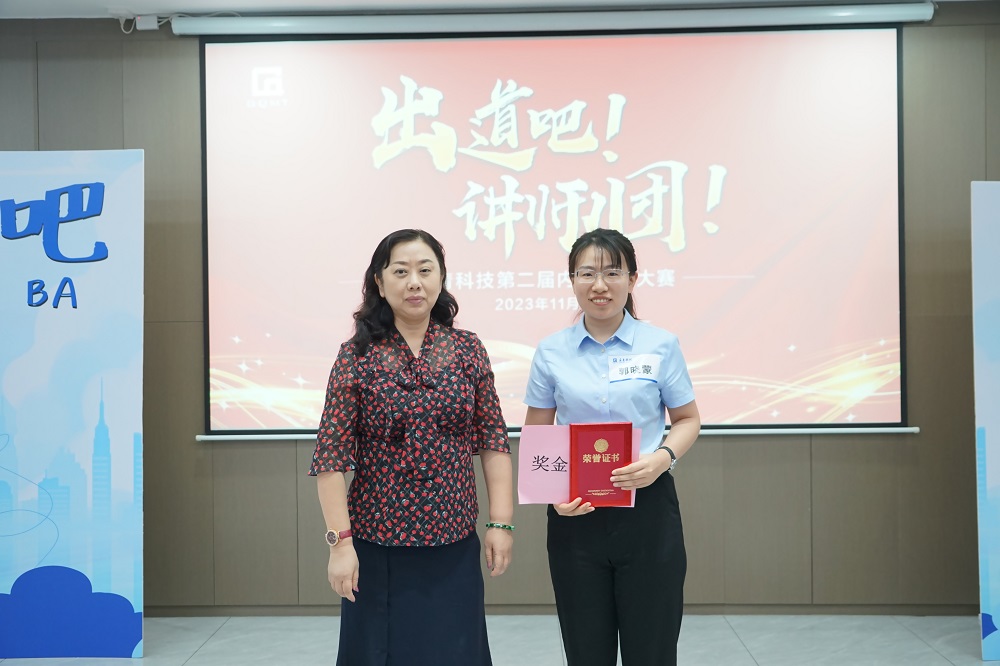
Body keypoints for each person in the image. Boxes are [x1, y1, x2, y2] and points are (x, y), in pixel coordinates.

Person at [309, 228, 514, 666]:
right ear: (380, 283)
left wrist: (501, 523)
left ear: (441, 278)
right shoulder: (356, 355)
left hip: (453, 541)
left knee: (455, 652)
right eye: (400, 272)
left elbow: (493, 440)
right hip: (377, 544)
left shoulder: (467, 349)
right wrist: (340, 545)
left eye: (425, 270)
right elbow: (330, 458)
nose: (414, 283)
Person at [523, 228, 701, 666]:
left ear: (632, 279)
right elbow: (538, 434)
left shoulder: (661, 344)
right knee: (586, 650)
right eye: (586, 273)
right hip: (575, 515)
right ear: (572, 280)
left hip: (648, 510)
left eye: (612, 273)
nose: (599, 285)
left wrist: (662, 459)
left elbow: (687, 419)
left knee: (652, 649)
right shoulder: (551, 351)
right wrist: (553, 494)